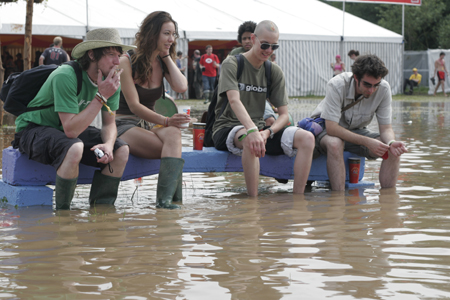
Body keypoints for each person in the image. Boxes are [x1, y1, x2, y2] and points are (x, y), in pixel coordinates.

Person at [12, 28, 135, 209]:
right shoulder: (66, 76)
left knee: (121, 150)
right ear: (92, 55)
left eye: (119, 55)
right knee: (74, 147)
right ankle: (64, 216)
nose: (117, 61)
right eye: (111, 55)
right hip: (32, 129)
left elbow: (109, 124)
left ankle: (102, 215)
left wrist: (109, 145)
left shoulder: (112, 81)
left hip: (63, 131)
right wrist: (101, 96)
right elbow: (71, 131)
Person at [212, 20, 315, 196]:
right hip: (227, 127)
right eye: (265, 45)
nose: (268, 50)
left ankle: (299, 199)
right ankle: (253, 204)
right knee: (250, 138)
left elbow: (284, 114)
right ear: (253, 39)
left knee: (307, 138)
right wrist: (252, 130)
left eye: (274, 47)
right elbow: (234, 100)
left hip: (260, 130)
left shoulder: (274, 71)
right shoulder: (232, 63)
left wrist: (267, 132)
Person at [118, 11, 189, 209]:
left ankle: (167, 202)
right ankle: (167, 202)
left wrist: (166, 57)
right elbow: (134, 106)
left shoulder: (162, 61)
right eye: (167, 33)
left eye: (173, 34)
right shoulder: (126, 61)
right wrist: (166, 120)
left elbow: (181, 87)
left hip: (148, 127)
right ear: (152, 33)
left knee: (174, 134)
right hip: (124, 125)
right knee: (173, 150)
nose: (171, 39)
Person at [311, 54, 408, 191]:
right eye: (367, 84)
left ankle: (388, 202)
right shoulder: (337, 84)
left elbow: (386, 129)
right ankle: (338, 201)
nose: (371, 90)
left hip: (356, 131)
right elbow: (332, 128)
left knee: (392, 150)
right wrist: (367, 141)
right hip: (326, 130)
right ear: (356, 77)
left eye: (376, 85)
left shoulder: (384, 89)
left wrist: (391, 143)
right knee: (335, 143)